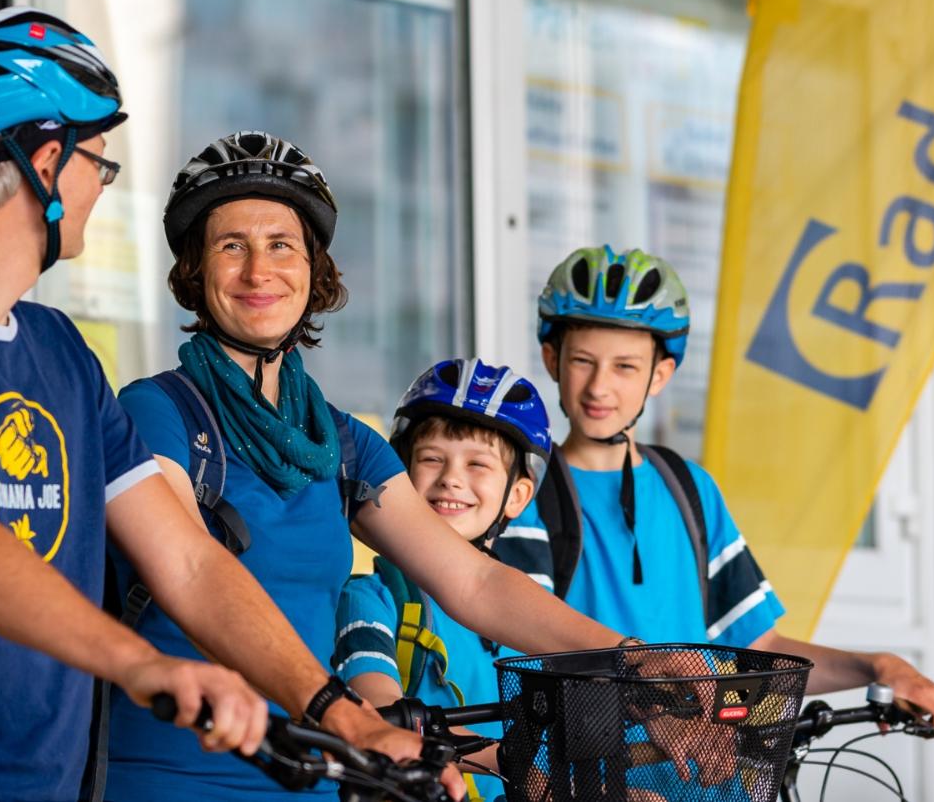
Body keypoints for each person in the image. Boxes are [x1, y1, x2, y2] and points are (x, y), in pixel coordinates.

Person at [0, 10, 430, 802]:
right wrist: (141, 662)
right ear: (47, 163)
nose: (98, 192)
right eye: (98, 165)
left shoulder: (60, 353)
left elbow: (187, 560)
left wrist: (344, 718)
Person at [103, 133, 636, 802]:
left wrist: (631, 658)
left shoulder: (342, 441)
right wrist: (339, 710)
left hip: (319, 778)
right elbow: (190, 571)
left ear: (313, 268)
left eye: (281, 246)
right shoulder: (158, 413)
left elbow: (472, 581)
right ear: (195, 271)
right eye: (230, 246)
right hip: (173, 778)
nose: (258, 271)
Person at [497, 246, 934, 736]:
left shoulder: (689, 489)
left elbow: (755, 652)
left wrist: (880, 667)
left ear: (660, 375)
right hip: (583, 782)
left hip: (703, 779)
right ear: (552, 359)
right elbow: (522, 656)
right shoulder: (525, 489)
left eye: (625, 367)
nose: (599, 387)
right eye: (583, 361)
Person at [332, 359, 550, 798]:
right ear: (398, 474)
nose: (451, 479)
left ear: (518, 496)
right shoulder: (373, 597)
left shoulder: (527, 618)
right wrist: (514, 763)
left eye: (477, 465)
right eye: (432, 458)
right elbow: (381, 711)